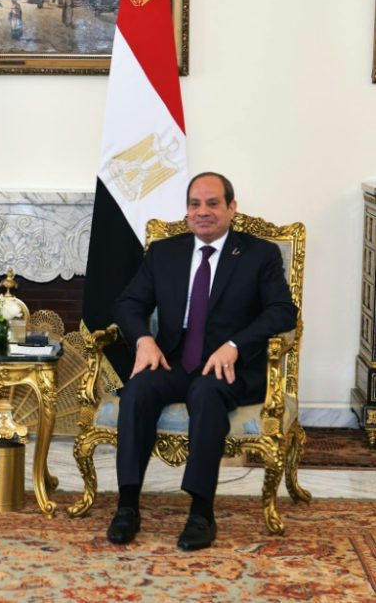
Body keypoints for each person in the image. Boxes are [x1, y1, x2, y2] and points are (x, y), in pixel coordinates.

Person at [107, 172, 297, 550]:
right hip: (175, 361)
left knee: (207, 394)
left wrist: (235, 344)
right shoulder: (165, 252)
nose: (203, 212)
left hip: (230, 367)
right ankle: (127, 505)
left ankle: (200, 512)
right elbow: (128, 303)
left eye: (212, 203)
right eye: (195, 204)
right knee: (138, 390)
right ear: (187, 210)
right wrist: (144, 340)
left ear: (231, 208)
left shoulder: (259, 254)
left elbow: (282, 312)